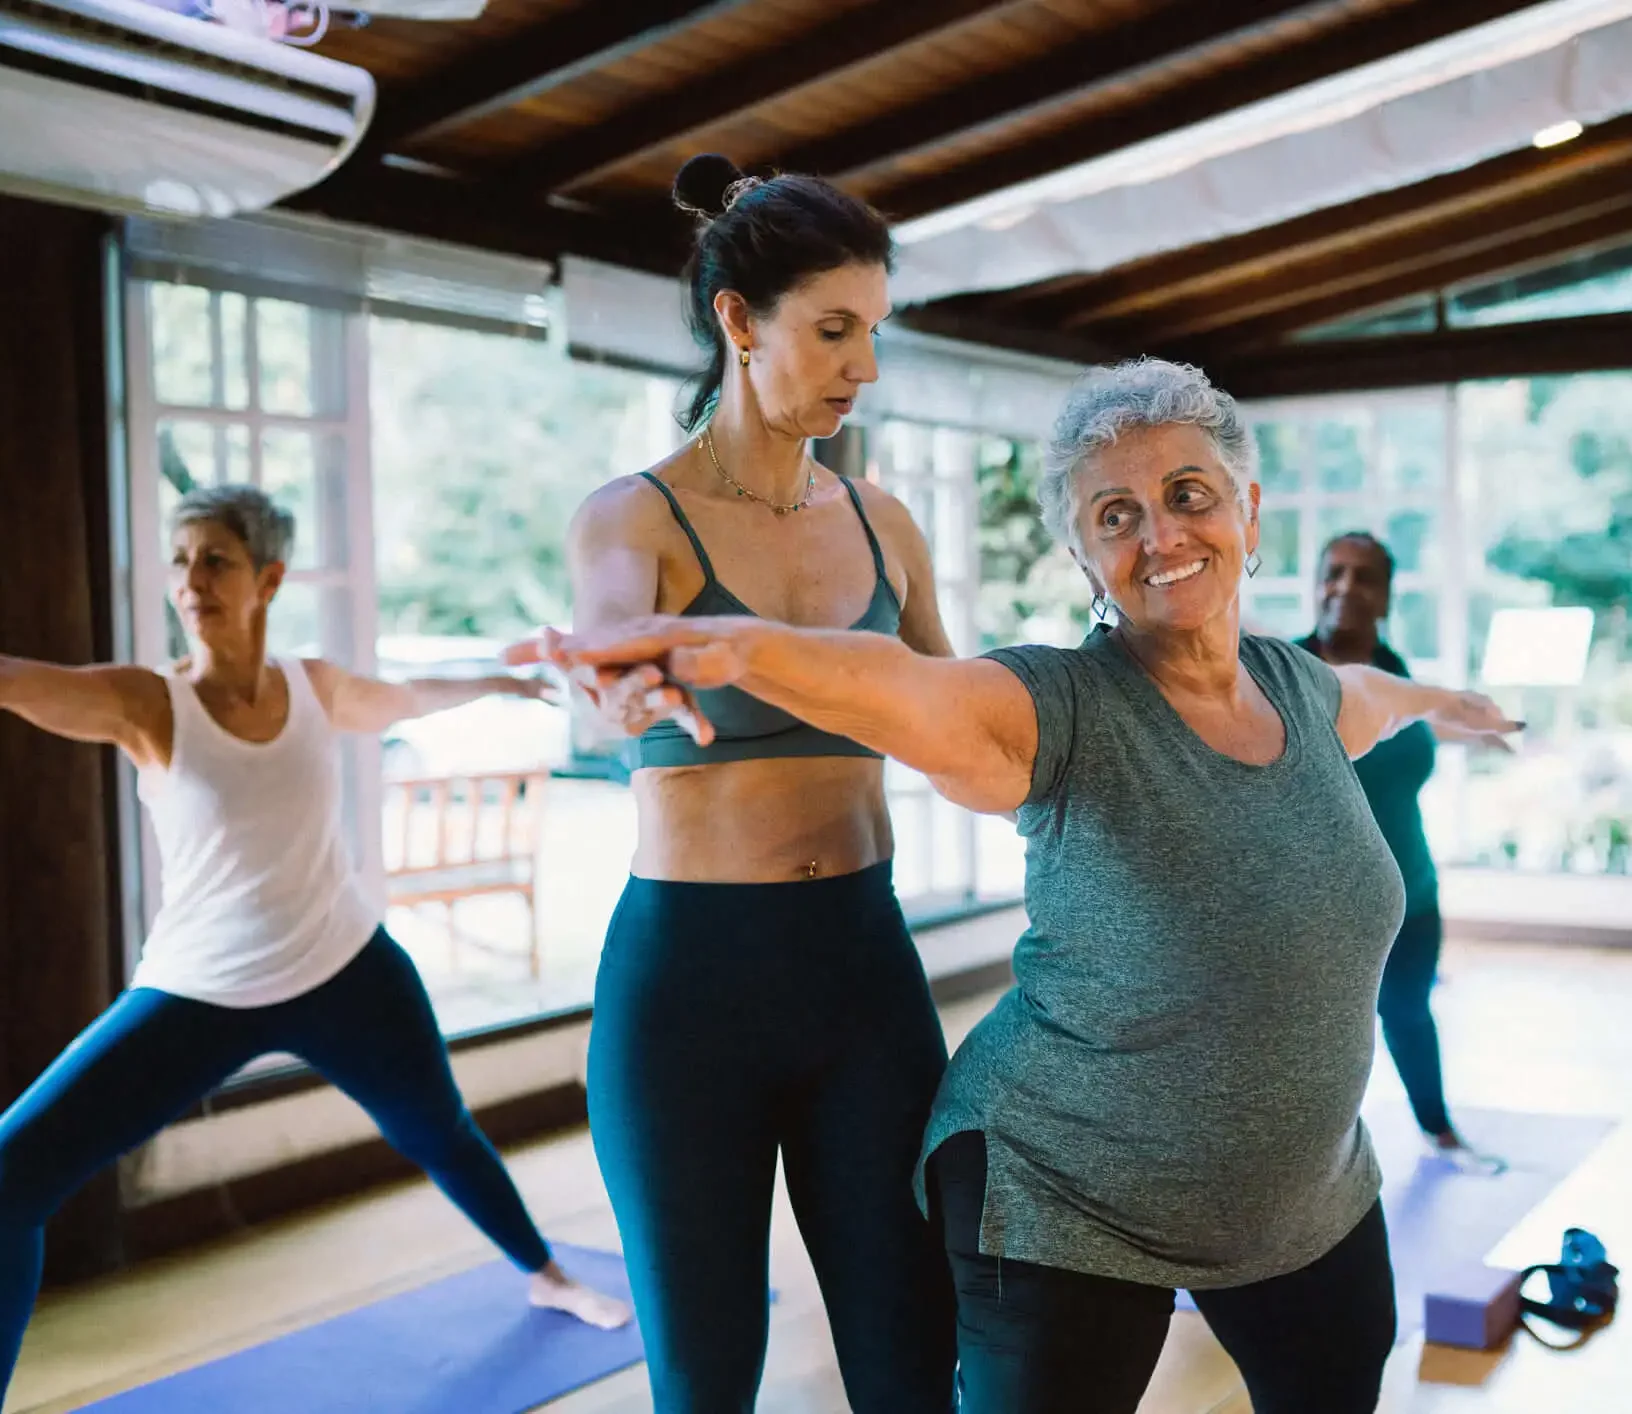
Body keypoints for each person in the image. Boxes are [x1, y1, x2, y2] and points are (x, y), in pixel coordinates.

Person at [537, 358, 1522, 1414]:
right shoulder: (1059, 707)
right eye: (1116, 515)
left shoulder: (1301, 686)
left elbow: (1375, 693)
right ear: (1085, 558)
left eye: (1188, 495)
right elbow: (909, 687)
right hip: (1066, 1201)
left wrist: (1449, 702)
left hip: (1307, 1197)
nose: (1161, 536)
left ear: (1249, 508)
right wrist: (719, 642)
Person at [0, 485, 629, 1400]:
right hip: (197, 993)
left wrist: (502, 677)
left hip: (344, 969)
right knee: (12, 1176)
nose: (190, 581)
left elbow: (408, 696)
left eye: (213, 559)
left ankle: (549, 1273)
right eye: (178, 561)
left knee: (441, 1132)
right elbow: (16, 680)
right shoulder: (148, 704)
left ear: (268, 578)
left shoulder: (313, 687)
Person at [508, 154, 957, 1413]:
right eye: (832, 331)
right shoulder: (633, 520)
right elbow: (608, 641)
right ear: (736, 320)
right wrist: (616, 685)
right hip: (687, 1000)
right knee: (706, 1386)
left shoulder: (886, 524)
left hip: (865, 981)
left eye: (871, 332)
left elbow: (965, 718)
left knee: (912, 1365)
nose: (862, 366)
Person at [1298, 532, 1508, 1173]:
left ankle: (1440, 1133)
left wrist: (1482, 727)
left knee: (1410, 1015)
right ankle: (1308, 1170)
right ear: (1316, 585)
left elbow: (1421, 739)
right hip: (1317, 912)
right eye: (1335, 572)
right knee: (1316, 1046)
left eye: (1366, 577)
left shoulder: (1399, 678)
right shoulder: (1282, 678)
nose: (1347, 587)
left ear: (1386, 596)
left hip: (1412, 895)